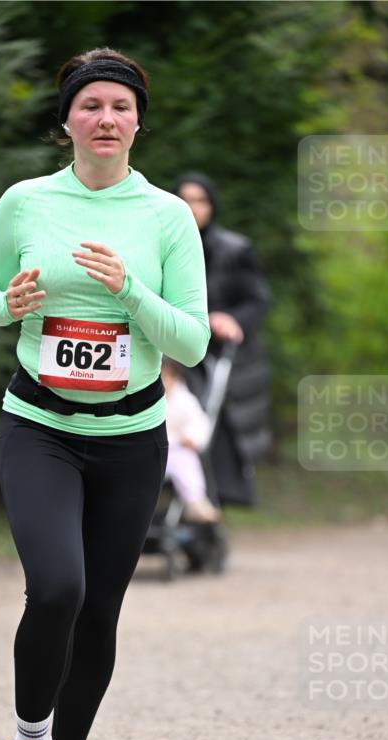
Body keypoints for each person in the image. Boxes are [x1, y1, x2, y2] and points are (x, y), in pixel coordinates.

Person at [0, 47, 209, 740]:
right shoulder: (26, 202)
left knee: (100, 609)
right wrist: (7, 303)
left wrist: (129, 292)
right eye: (91, 105)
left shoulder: (165, 216)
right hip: (38, 427)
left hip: (132, 437)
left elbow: (194, 343)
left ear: (138, 122)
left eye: (120, 107)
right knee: (57, 589)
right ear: (65, 119)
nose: (106, 119)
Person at [173, 172, 271, 507]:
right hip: (180, 351)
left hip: (226, 356)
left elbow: (258, 299)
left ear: (211, 205)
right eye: (185, 198)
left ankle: (214, 502)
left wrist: (230, 319)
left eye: (199, 199)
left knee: (216, 425)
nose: (192, 207)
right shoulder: (166, 246)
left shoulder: (234, 249)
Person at [161, 357, 220, 523]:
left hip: (175, 449)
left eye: (165, 377)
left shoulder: (184, 400)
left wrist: (192, 437)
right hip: (148, 451)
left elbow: (199, 423)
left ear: (174, 377)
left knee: (186, 461)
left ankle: (195, 501)